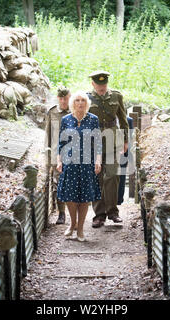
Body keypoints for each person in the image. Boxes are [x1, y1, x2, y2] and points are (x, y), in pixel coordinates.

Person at [56, 91, 102, 242]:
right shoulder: (66, 120)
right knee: (70, 196)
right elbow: (60, 143)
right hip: (70, 162)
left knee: (84, 198)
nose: (80, 103)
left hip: (87, 163)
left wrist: (98, 160)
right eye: (77, 100)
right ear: (73, 103)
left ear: (87, 103)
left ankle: (81, 229)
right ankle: (72, 224)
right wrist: (59, 161)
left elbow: (98, 143)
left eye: (83, 100)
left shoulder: (93, 119)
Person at [87, 71, 129, 228]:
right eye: (99, 85)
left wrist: (126, 141)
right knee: (96, 178)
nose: (102, 88)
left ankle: (113, 212)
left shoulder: (116, 96)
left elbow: (123, 120)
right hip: (93, 142)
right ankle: (99, 215)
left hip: (112, 141)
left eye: (104, 85)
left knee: (112, 176)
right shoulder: (86, 98)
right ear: (93, 84)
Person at [44, 86, 71, 224]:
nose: (63, 101)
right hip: (56, 154)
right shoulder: (52, 112)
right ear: (58, 98)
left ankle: (74, 213)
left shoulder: (76, 111)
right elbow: (48, 136)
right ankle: (61, 213)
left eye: (66, 98)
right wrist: (48, 158)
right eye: (61, 98)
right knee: (59, 184)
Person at [117, 115, 134, 205]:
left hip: (124, 151)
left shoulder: (129, 120)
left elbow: (130, 137)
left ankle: (119, 199)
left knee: (121, 175)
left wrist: (125, 149)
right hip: (109, 151)